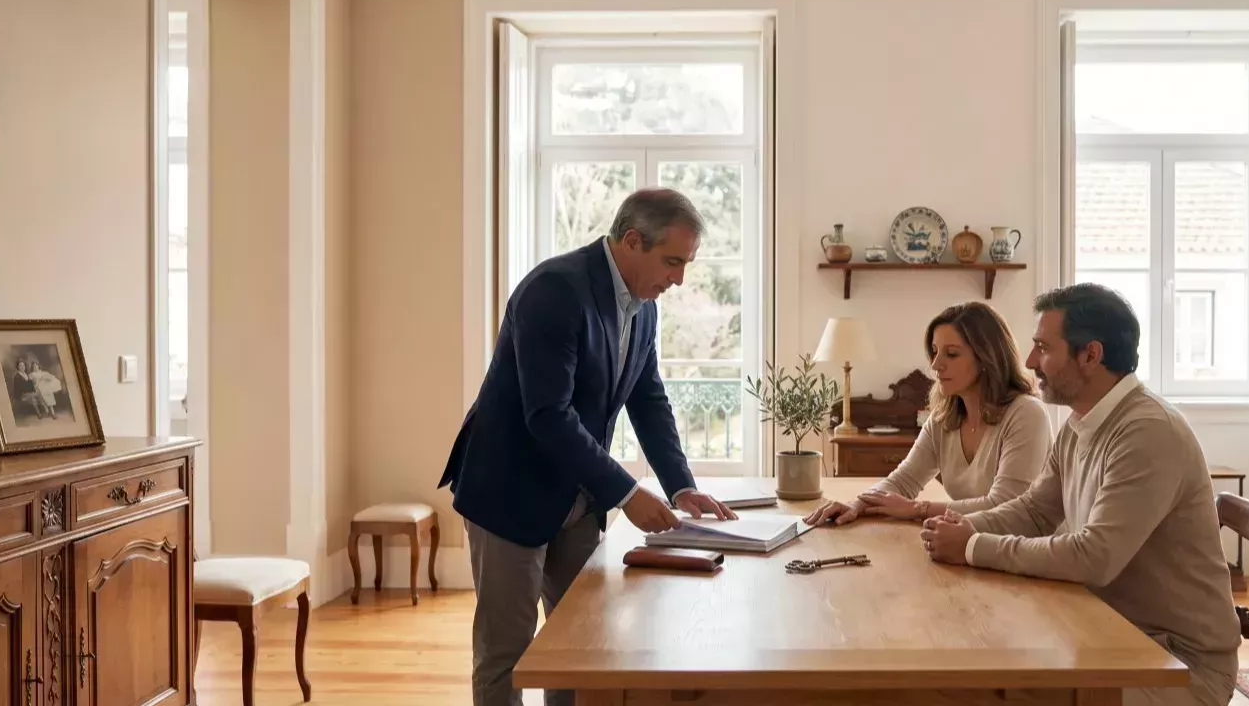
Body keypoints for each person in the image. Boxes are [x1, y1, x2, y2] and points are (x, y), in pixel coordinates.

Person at [437, 188, 738, 706]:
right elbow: (548, 415)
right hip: (509, 490)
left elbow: (648, 396)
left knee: (582, 646)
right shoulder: (555, 289)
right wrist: (626, 493)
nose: (679, 279)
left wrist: (680, 486)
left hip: (577, 495)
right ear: (631, 240)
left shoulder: (644, 307)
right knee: (506, 653)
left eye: (686, 265)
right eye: (672, 262)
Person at [918, 283, 1240, 706]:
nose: (1031, 361)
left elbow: (1094, 557)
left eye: (1043, 348)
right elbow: (1035, 510)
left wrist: (973, 546)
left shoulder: (1147, 430)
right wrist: (961, 527)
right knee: (960, 664)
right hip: (1103, 633)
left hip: (1172, 664)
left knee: (966, 690)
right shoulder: (1079, 423)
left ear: (1090, 354)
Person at [804, 302, 1050, 526]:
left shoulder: (1027, 414)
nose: (935, 365)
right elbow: (903, 481)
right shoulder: (944, 417)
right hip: (969, 546)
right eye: (934, 351)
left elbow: (1004, 507)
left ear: (987, 357)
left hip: (1024, 556)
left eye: (951, 354)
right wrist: (856, 504)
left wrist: (918, 509)